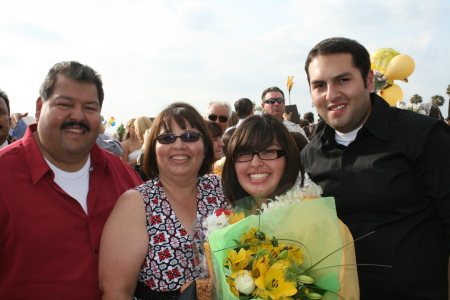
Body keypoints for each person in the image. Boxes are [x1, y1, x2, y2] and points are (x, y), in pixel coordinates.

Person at [301, 37, 450, 299]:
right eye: (319, 85)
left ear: (369, 80)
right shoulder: (309, 156)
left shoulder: (424, 137)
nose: (331, 94)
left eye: (343, 80)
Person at [0, 61, 143, 299]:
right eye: (65, 104)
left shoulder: (124, 176)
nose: (77, 116)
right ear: (39, 107)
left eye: (89, 108)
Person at [221, 114, 359, 298]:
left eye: (268, 151)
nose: (255, 163)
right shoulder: (236, 218)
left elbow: (341, 291)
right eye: (244, 154)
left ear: (289, 158)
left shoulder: (316, 222)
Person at [99, 102, 227, 300]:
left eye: (190, 136)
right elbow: (117, 292)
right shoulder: (136, 203)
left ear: (205, 146)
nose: (178, 145)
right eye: (167, 138)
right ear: (153, 148)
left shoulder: (219, 189)